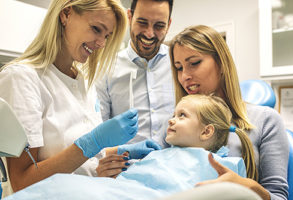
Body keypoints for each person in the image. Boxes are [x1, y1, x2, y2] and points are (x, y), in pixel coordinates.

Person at [0, 0, 159, 197]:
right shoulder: (22, 78)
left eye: (107, 36)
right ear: (66, 14)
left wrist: (119, 151)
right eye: (96, 29)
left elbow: (80, 156)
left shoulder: (84, 81)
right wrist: (93, 142)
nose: (101, 43)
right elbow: (22, 183)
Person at [3, 94, 260, 200]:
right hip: (120, 190)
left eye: (182, 116)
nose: (172, 119)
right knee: (59, 184)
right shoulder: (159, 154)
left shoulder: (219, 164)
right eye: (174, 113)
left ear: (206, 131)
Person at [169, 24, 289, 200]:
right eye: (179, 67)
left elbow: (279, 197)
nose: (184, 76)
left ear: (222, 63)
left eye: (194, 63)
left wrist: (247, 187)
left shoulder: (265, 120)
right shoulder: (175, 123)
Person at [95, 0, 175, 176]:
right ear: (129, 17)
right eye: (142, 22)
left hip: (174, 173)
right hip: (123, 176)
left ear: (169, 25)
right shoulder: (106, 67)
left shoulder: (178, 63)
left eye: (159, 26)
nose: (149, 33)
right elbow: (96, 132)